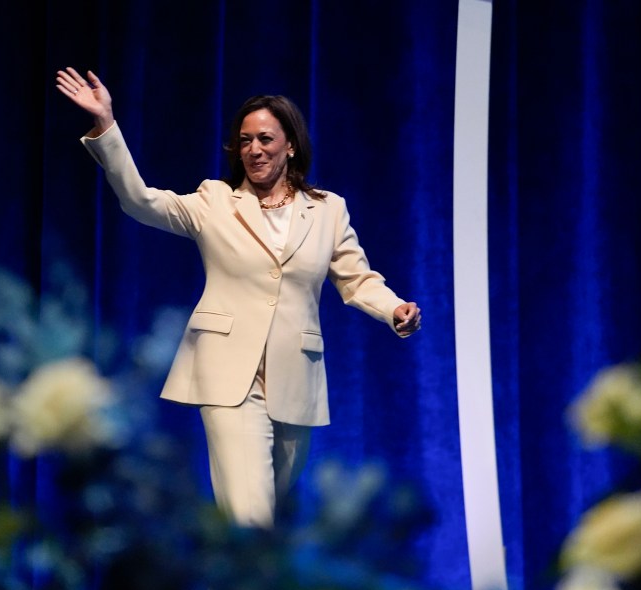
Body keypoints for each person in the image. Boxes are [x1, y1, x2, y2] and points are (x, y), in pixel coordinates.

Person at [56, 67, 421, 528]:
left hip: (295, 379)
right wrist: (106, 125)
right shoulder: (214, 202)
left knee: (258, 540)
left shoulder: (328, 209)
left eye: (265, 139)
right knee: (251, 521)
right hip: (229, 377)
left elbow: (357, 279)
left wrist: (394, 309)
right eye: (245, 140)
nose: (254, 149)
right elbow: (140, 200)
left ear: (290, 144)